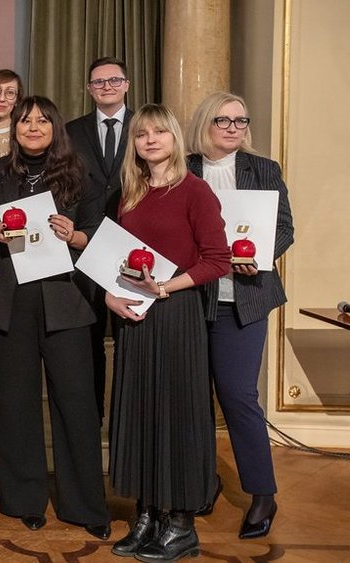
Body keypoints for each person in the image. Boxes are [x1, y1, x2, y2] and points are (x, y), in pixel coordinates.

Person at [0, 96, 110, 539]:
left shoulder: (82, 175)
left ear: (55, 127)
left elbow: (98, 233)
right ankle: (24, 499)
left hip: (65, 302)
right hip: (8, 300)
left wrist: (75, 235)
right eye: (24, 120)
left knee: (76, 403)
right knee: (14, 405)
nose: (32, 127)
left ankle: (86, 504)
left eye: (41, 120)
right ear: (13, 128)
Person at [105, 104, 230, 560]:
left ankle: (180, 525)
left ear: (175, 138)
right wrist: (109, 296)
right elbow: (117, 257)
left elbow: (216, 260)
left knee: (175, 414)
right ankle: (147, 514)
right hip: (135, 317)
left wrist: (164, 287)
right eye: (141, 134)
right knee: (140, 411)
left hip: (176, 317)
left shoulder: (194, 191)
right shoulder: (131, 193)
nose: (150, 140)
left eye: (159, 132)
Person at [186, 92, 293, 539]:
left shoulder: (263, 169)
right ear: (204, 123)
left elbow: (284, 227)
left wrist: (260, 256)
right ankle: (201, 483)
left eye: (240, 120)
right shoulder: (184, 167)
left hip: (243, 298)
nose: (232, 127)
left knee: (237, 395)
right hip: (191, 298)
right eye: (222, 120)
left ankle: (262, 492)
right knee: (191, 397)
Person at [66, 56, 134, 419]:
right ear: (89, 89)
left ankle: (126, 421)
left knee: (130, 338)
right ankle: (91, 419)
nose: (106, 87)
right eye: (98, 82)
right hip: (83, 247)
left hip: (134, 247)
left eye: (113, 80)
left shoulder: (146, 127)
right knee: (87, 338)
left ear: (126, 84)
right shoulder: (71, 131)